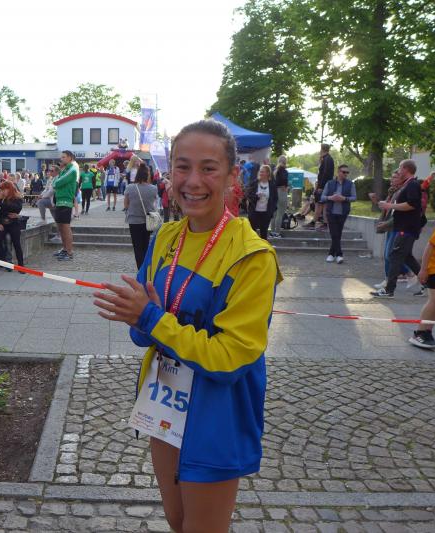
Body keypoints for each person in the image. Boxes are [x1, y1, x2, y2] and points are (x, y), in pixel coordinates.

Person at [92, 119, 280, 533]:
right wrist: (140, 317)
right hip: (164, 400)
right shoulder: (167, 237)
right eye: (182, 166)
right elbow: (142, 332)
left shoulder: (252, 256)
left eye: (209, 168)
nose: (193, 181)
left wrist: (151, 318)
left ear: (232, 176)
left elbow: (230, 359)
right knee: (177, 521)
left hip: (216, 412)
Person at [371, 159, 422, 298]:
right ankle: (428, 283)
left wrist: (390, 206)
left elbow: (412, 205)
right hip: (404, 227)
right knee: (407, 257)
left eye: (400, 168)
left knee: (395, 256)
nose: (398, 171)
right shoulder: (408, 184)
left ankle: (389, 290)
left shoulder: (412, 184)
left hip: (406, 228)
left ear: (406, 169)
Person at [320, 164, 357, 264]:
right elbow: (322, 197)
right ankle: (339, 254)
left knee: (338, 233)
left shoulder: (350, 184)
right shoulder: (330, 183)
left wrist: (344, 198)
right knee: (334, 233)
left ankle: (331, 254)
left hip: (343, 212)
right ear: (338, 172)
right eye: (344, 172)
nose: (346, 174)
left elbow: (354, 197)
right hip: (331, 212)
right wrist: (331, 198)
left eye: (347, 172)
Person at [124, 164, 159, 268]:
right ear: (147, 175)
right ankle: (145, 268)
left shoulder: (130, 187)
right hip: (148, 221)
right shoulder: (153, 188)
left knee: (137, 247)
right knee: (145, 245)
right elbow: (154, 204)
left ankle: (140, 268)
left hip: (134, 221)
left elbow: (126, 205)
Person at [0, 181, 25, 272]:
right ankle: (5, 262)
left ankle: (21, 265)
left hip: (14, 224)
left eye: (4, 189)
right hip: (3, 224)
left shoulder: (17, 198)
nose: (2, 191)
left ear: (9, 189)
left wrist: (0, 203)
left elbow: (16, 208)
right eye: (1, 190)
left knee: (17, 244)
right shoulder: (2, 198)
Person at [53, 151, 79, 261]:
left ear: (70, 158)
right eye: (61, 157)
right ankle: (64, 249)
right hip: (59, 201)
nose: (61, 159)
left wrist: (56, 182)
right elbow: (55, 182)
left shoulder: (72, 170)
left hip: (66, 201)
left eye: (63, 157)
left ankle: (69, 252)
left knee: (65, 228)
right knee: (61, 228)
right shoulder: (65, 170)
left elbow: (56, 183)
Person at [245, 164, 278, 240]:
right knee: (252, 233)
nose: (261, 173)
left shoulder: (272, 185)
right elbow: (248, 195)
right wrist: (256, 196)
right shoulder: (254, 183)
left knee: (264, 233)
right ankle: (253, 246)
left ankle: (263, 247)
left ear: (268, 173)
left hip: (266, 213)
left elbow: (275, 198)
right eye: (260, 171)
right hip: (254, 212)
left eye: (263, 172)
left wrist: (272, 210)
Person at [310, 144, 334, 228]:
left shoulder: (326, 159)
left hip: (323, 186)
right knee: (323, 205)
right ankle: (324, 223)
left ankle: (314, 222)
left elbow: (325, 173)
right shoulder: (328, 158)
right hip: (325, 185)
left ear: (322, 149)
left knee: (319, 204)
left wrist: (320, 186)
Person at [269, 156, 289, 238]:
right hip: (282, 192)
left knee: (274, 214)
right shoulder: (284, 171)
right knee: (280, 214)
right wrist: (286, 186)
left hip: (274, 192)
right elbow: (283, 180)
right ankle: (277, 232)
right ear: (285, 162)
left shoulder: (275, 171)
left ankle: (272, 232)